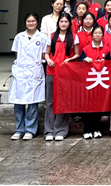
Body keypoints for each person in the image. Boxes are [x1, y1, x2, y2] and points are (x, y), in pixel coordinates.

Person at [9, 12, 49, 141]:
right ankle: (19, 129)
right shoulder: (19, 37)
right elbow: (17, 54)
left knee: (32, 103)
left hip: (34, 71)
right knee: (18, 103)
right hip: (20, 72)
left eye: (33, 21)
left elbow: (44, 54)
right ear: (25, 22)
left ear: (37, 22)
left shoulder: (42, 37)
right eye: (28, 21)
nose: (31, 23)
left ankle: (30, 130)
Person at [44, 13, 79, 141]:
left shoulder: (74, 37)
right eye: (61, 21)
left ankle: (60, 130)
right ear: (58, 23)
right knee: (50, 102)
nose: (63, 24)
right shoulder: (51, 36)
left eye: (66, 21)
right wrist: (48, 59)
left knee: (63, 102)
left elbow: (77, 54)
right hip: (51, 72)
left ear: (69, 23)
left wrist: (69, 59)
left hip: (66, 74)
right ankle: (49, 131)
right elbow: (46, 53)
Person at [79, 25, 108, 139]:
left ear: (103, 35)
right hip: (89, 82)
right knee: (87, 106)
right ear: (92, 35)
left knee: (98, 106)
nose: (97, 35)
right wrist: (84, 59)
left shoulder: (106, 49)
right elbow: (79, 63)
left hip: (101, 82)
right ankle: (87, 130)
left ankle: (97, 129)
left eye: (100, 33)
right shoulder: (86, 49)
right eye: (95, 33)